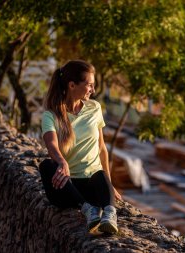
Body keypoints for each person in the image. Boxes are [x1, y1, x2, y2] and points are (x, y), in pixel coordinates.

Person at [39, 59, 122, 234]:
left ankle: (109, 214)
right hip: (66, 188)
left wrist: (108, 186)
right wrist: (62, 162)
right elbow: (51, 143)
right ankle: (88, 210)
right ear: (72, 85)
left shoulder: (95, 108)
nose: (93, 90)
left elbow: (101, 148)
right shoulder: (50, 115)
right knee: (46, 165)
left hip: (92, 185)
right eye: (89, 85)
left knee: (100, 174)